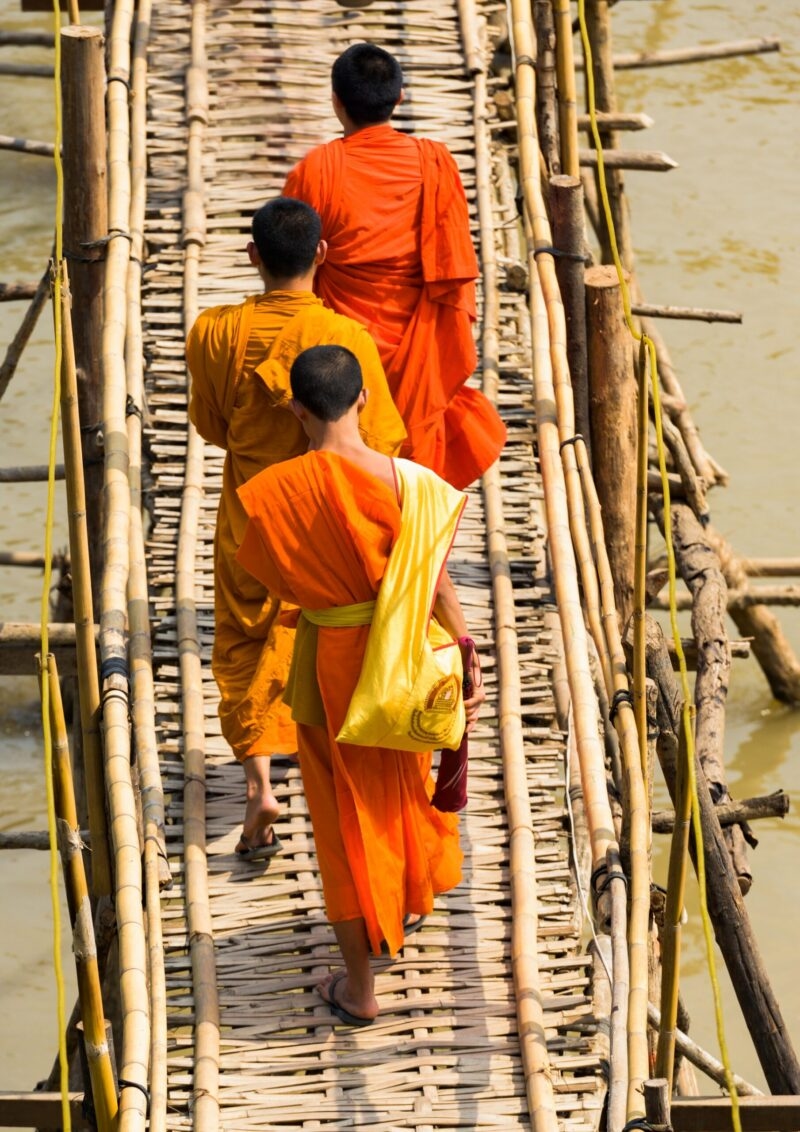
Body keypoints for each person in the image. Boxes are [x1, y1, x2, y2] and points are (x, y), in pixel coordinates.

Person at [236, 345, 484, 1025]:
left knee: (342, 815)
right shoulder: (414, 484)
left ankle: (360, 986)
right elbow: (436, 583)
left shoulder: (272, 493)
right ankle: (402, 903)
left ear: (294, 409)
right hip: (407, 658)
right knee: (399, 783)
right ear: (365, 400)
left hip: (334, 668)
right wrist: (464, 651)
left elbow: (277, 584)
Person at [186, 197, 406, 861]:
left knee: (244, 643)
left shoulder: (214, 332)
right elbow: (383, 442)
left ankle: (259, 781)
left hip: (251, 511)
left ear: (252, 256)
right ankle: (327, 773)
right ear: (322, 255)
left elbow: (209, 425)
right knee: (320, 641)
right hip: (327, 519)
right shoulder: (350, 340)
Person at [283, 42, 506, 491]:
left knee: (343, 476)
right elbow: (455, 266)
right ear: (399, 98)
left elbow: (292, 268)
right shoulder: (435, 163)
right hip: (421, 345)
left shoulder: (316, 170)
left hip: (341, 358)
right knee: (415, 475)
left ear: (336, 101)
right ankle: (416, 553)